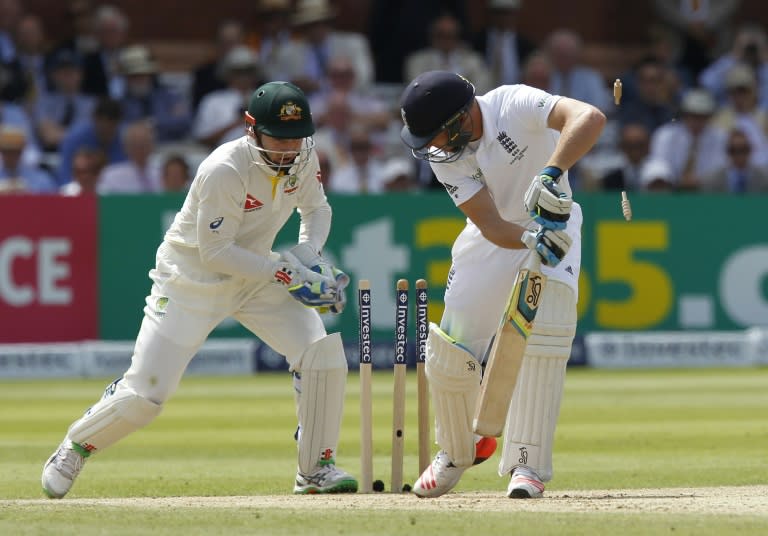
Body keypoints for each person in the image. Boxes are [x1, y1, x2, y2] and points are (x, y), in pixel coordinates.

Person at [41, 80, 358, 498]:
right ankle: (76, 445)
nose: (287, 150)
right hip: (191, 281)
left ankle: (315, 469)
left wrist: (311, 258)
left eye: (296, 140)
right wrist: (287, 274)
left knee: (321, 355)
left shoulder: (303, 155)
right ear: (251, 129)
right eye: (277, 139)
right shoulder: (225, 169)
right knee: (147, 395)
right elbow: (215, 254)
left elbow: (316, 209)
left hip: (255, 273)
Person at [398, 71, 605, 498]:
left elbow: (589, 116)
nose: (432, 147)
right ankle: (457, 449)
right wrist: (528, 238)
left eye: (436, 135)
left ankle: (526, 464)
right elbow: (490, 223)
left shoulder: (511, 103)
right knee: (452, 342)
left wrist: (551, 173)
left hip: (557, 224)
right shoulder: (446, 157)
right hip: (500, 236)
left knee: (546, 333)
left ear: (458, 120)